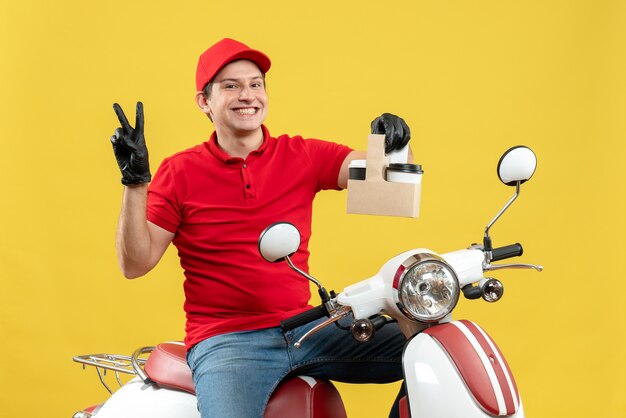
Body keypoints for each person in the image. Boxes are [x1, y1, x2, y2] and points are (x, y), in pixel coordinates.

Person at [110, 38, 411, 418]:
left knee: (432, 350)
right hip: (228, 342)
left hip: (307, 328)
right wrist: (135, 182)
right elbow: (134, 264)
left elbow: (391, 187)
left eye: (255, 84)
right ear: (204, 102)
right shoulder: (179, 171)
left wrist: (395, 145)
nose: (247, 95)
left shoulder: (301, 154)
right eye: (231, 86)